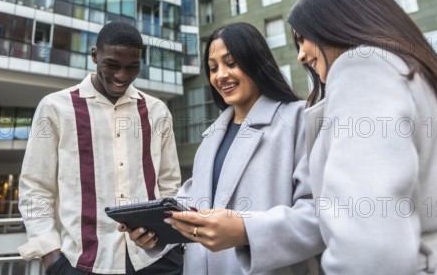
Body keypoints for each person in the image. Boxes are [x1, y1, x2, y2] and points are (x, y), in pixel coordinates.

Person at [287, 0, 437, 274]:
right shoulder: (412, 68)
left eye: (303, 38)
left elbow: (371, 244)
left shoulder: (360, 68)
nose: (300, 55)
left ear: (336, 22)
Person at [121, 22, 323, 274]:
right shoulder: (211, 137)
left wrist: (245, 231)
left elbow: (318, 215)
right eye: (213, 68)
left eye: (231, 63)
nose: (220, 75)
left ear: (256, 61)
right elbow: (193, 204)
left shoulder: (299, 119)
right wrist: (155, 230)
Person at [17, 22, 183, 275]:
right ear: (95, 55)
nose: (122, 76)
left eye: (132, 67)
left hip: (157, 259)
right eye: (112, 65)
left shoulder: (156, 111)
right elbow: (36, 187)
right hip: (81, 263)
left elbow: (169, 183)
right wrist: (51, 255)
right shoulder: (54, 108)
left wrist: (170, 238)